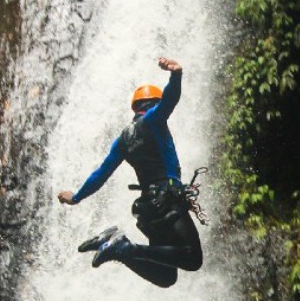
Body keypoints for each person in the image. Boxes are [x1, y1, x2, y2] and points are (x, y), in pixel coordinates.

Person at [57, 56, 203, 288]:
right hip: (166, 200)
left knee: (166, 277)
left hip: (147, 208)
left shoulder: (123, 140)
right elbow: (170, 100)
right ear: (153, 104)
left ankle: (117, 246)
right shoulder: (155, 119)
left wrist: (76, 197)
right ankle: (125, 247)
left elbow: (100, 174)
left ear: (135, 107)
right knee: (192, 258)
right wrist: (176, 75)